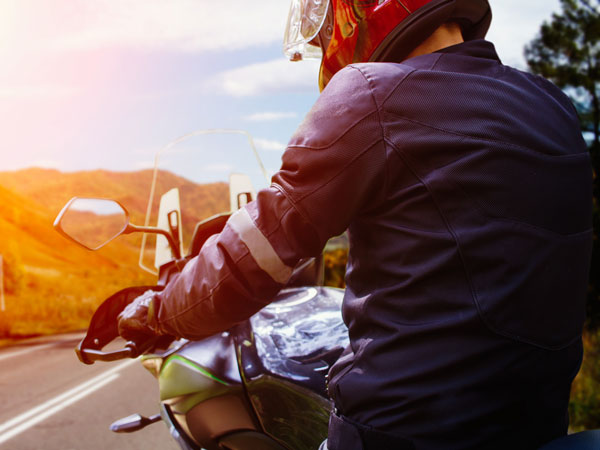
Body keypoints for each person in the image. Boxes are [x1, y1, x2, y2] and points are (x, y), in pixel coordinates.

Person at [118, 0, 594, 448]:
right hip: (534, 427)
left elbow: (249, 258)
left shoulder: (372, 92)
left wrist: (156, 311)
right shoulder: (551, 105)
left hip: (403, 433)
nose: (326, 40)